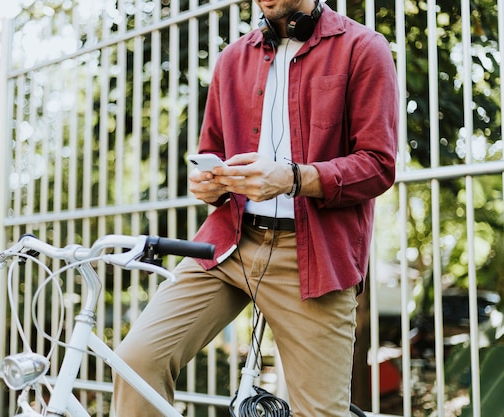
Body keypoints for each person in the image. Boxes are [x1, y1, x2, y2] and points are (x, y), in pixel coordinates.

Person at [112, 0, 398, 415]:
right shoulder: (231, 59)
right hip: (227, 244)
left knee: (320, 412)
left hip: (312, 257)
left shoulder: (363, 47)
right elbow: (212, 151)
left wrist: (293, 177)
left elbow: (378, 165)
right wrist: (209, 185)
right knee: (135, 362)